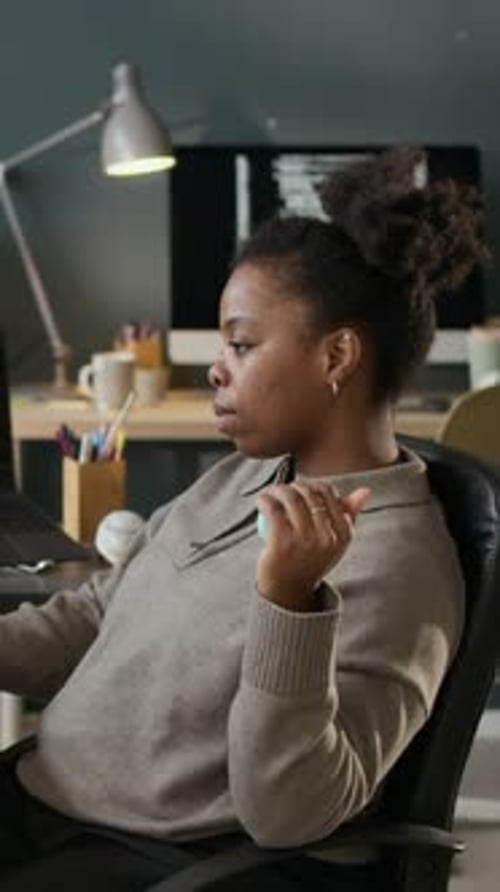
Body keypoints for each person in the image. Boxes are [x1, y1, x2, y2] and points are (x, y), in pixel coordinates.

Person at [0, 146, 488, 891]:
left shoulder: (402, 568)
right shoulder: (243, 476)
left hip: (149, 859)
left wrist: (288, 603)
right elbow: (96, 617)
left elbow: (289, 813)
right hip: (46, 799)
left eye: (241, 344)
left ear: (338, 356)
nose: (217, 368)